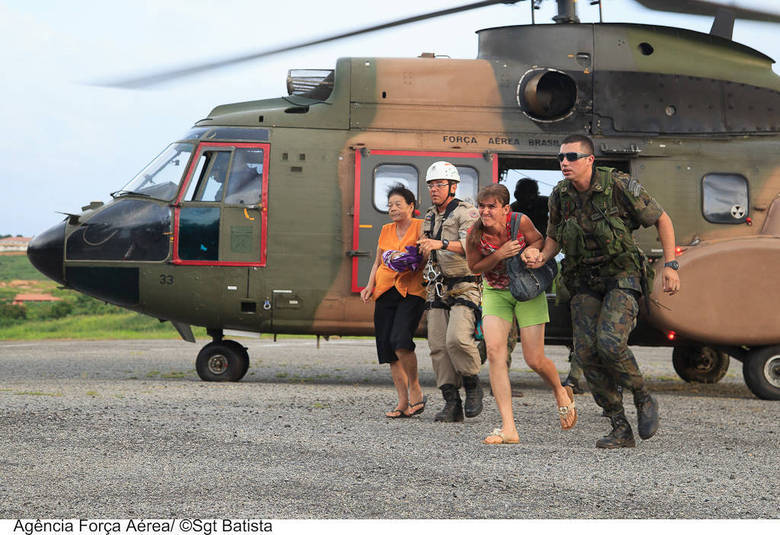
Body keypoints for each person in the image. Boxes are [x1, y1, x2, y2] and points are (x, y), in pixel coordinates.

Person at [523, 134, 681, 449]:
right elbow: (554, 236)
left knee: (609, 344)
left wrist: (672, 267)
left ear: (590, 160)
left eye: (571, 157)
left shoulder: (618, 186)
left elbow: (662, 220)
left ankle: (642, 396)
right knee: (585, 353)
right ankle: (619, 425)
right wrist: (541, 255)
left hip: (621, 275)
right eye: (561, 158)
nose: (564, 163)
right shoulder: (560, 196)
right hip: (583, 280)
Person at [466, 184, 576, 444]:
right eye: (482, 206)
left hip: (527, 291)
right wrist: (498, 255)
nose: (485, 211)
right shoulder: (474, 233)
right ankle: (508, 428)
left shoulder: (520, 221)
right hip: (496, 293)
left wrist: (532, 250)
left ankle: (560, 390)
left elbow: (539, 240)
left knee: (534, 359)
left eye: (491, 206)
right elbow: (474, 268)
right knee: (495, 352)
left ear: (505, 209)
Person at [417, 161, 483, 422]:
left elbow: (471, 245)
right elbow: (427, 246)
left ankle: (472, 384)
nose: (434, 189)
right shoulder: (430, 215)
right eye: (431, 185)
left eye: (439, 184)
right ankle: (451, 402)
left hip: (465, 284)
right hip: (437, 286)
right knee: (437, 346)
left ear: (453, 187)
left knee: (457, 339)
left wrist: (440, 243)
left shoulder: (467, 213)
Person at [361, 185, 427, 418]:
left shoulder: (421, 227)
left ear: (411, 206)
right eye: (390, 205)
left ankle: (415, 387)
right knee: (388, 349)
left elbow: (425, 257)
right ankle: (402, 403)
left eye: (398, 204)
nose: (393, 208)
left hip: (411, 291)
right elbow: (378, 262)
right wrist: (370, 286)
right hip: (385, 291)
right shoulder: (386, 230)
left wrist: (415, 257)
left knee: (401, 340)